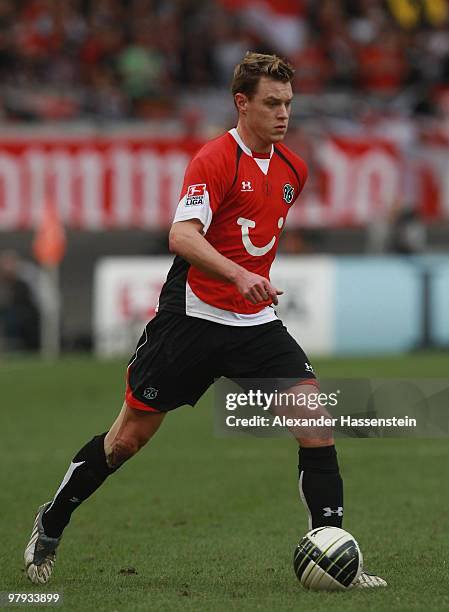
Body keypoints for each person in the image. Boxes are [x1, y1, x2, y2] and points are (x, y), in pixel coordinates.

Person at [24, 52, 386, 588]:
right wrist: (240, 275)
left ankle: (334, 555)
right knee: (125, 442)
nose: (283, 114)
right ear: (242, 103)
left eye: (288, 103)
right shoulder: (214, 159)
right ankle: (51, 522)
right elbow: (183, 237)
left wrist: (249, 285)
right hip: (191, 321)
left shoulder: (293, 168)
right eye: (271, 103)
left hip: (255, 323)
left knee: (315, 426)